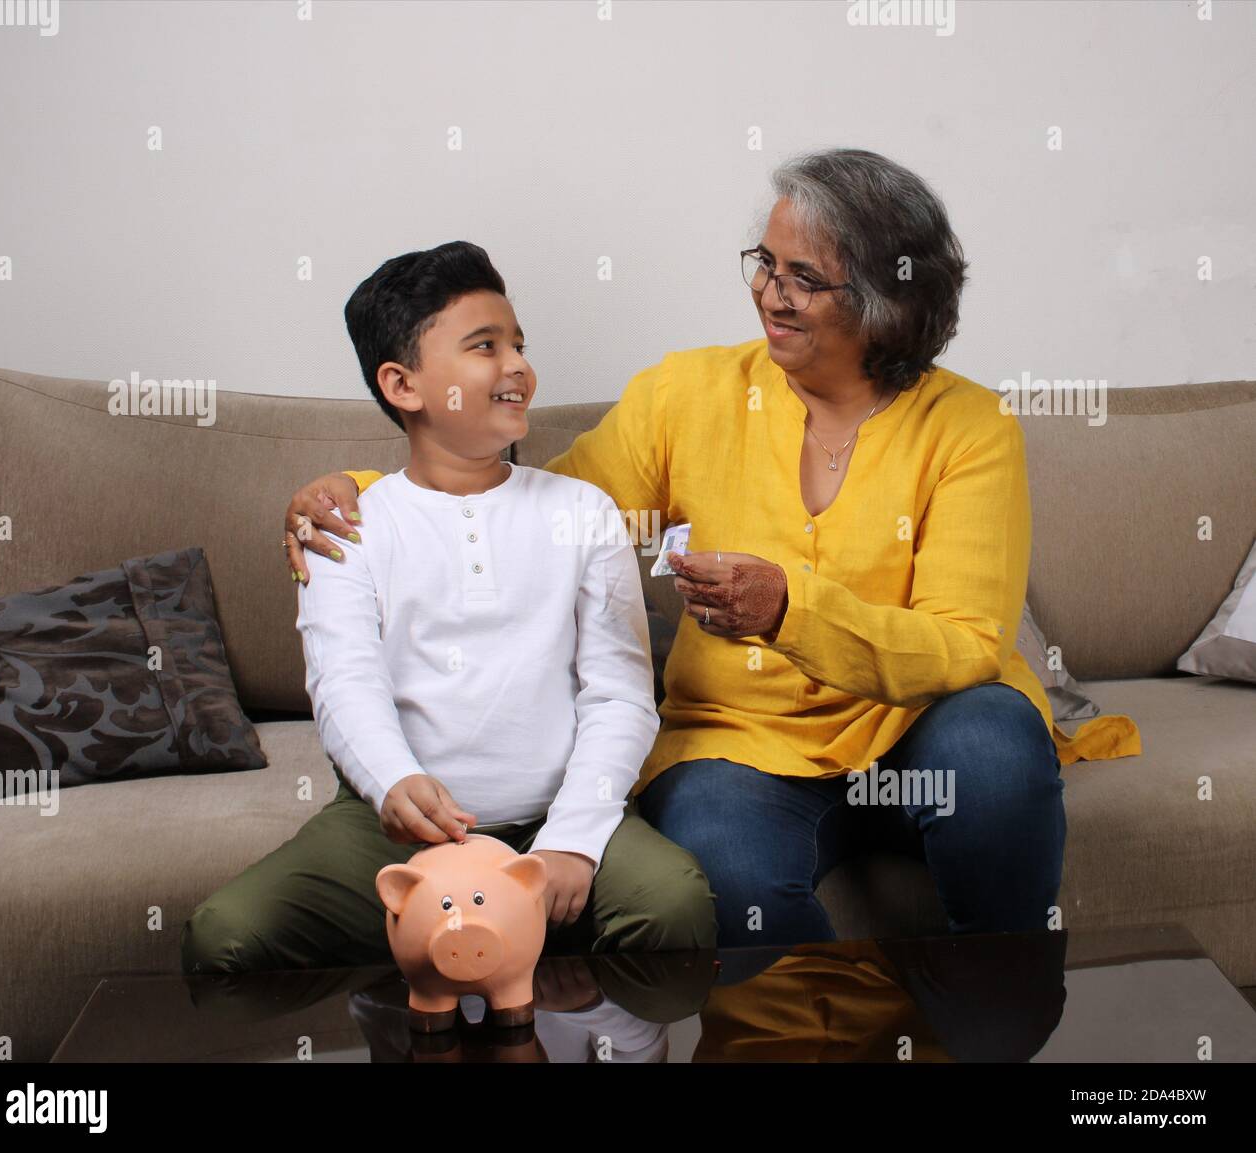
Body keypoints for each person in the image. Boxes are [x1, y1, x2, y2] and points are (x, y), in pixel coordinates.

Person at [282, 149, 1142, 949]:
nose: (771, 293)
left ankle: (992, 1018)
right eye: (765, 263)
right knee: (723, 869)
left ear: (890, 301)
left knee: (995, 743)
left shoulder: (969, 429)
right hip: (740, 744)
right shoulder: (686, 393)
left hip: (921, 730)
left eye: (804, 278)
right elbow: (541, 516)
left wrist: (789, 610)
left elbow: (963, 645)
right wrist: (367, 489)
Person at [181, 241, 718, 974]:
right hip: (399, 830)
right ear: (403, 384)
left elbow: (621, 692)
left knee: (674, 907)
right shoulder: (349, 523)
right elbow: (344, 682)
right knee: (227, 935)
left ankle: (540, 974)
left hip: (555, 815)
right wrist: (394, 783)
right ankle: (446, 974)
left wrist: (574, 837)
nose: (516, 365)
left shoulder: (583, 511)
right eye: (484, 346)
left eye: (519, 344)